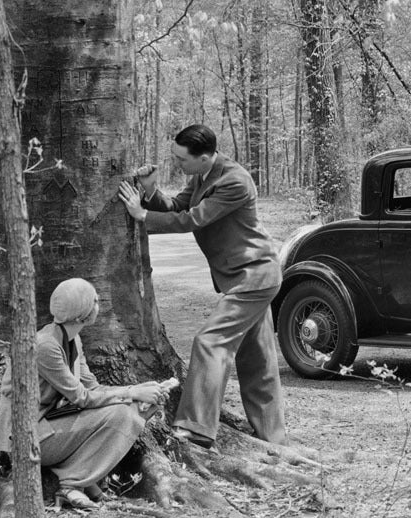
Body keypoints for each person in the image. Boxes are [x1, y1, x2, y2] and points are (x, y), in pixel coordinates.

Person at [117, 123, 286, 449]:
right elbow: (178, 205)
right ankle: (273, 438)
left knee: (210, 342)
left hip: (255, 276)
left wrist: (141, 216)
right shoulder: (202, 176)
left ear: (205, 157)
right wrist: (150, 193)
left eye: (182, 160)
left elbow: (193, 218)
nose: (178, 165)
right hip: (241, 276)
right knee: (258, 360)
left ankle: (195, 429)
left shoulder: (234, 181)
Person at [0, 278, 168, 510]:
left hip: (47, 425)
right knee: (124, 415)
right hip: (25, 438)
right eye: (94, 301)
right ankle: (73, 483)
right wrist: (132, 391)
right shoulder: (46, 346)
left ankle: (83, 478)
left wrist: (142, 393)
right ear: (82, 314)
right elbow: (82, 398)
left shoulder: (72, 338)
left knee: (137, 407)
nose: (98, 305)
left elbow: (92, 389)